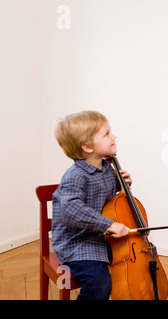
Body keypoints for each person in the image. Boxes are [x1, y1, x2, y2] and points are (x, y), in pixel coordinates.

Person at [52, 110, 131, 300]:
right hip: (76, 244)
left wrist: (124, 185)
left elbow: (113, 205)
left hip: (101, 239)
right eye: (106, 134)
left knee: (142, 259)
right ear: (87, 147)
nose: (113, 136)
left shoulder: (107, 169)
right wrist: (109, 225)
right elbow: (70, 210)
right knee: (99, 283)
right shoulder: (75, 176)